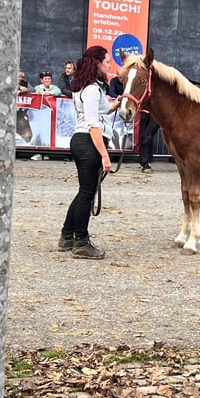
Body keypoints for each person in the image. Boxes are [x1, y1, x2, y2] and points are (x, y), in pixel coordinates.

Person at [58, 46, 122, 259]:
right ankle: (81, 242)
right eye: (106, 62)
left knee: (84, 191)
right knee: (87, 193)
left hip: (80, 140)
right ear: (97, 63)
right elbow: (94, 125)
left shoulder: (84, 87)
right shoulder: (93, 89)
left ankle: (67, 235)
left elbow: (96, 113)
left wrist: (115, 106)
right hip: (90, 141)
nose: (109, 65)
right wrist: (105, 155)